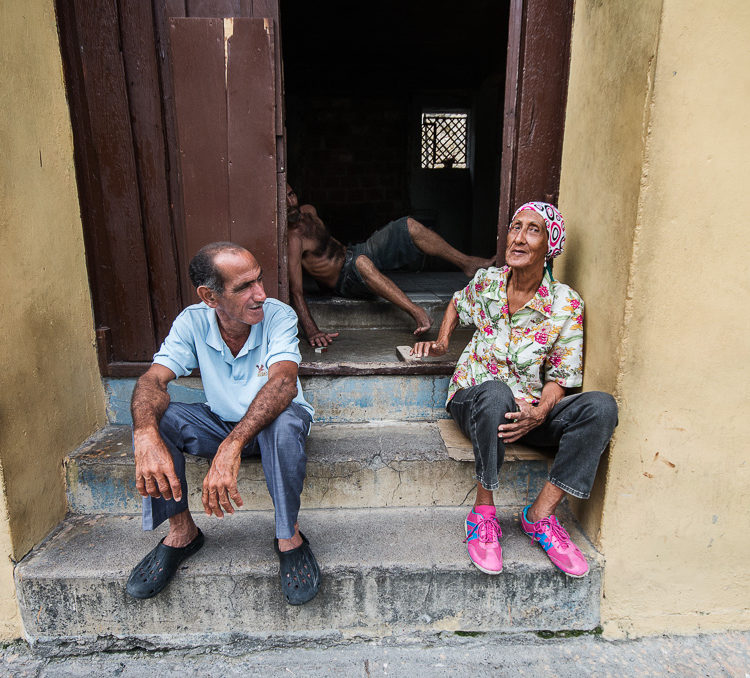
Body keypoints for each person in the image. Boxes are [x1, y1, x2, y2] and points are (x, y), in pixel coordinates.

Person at [412, 203, 618, 577]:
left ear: (550, 246)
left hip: (527, 409)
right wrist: (442, 342)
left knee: (601, 407)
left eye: (533, 230)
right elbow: (458, 303)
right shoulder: (488, 282)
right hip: (475, 398)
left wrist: (539, 412)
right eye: (515, 227)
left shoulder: (565, 303)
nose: (519, 238)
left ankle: (539, 516)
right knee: (494, 392)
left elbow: (561, 376)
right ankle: (483, 513)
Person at [126, 242, 320, 605]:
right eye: (244, 287)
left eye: (259, 280)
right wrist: (144, 434)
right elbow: (152, 381)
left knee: (284, 423)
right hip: (220, 421)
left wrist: (230, 445)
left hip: (275, 423)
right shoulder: (193, 321)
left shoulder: (279, 316)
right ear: (210, 297)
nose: (260, 294)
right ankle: (182, 532)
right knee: (156, 417)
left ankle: (288, 537)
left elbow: (283, 385)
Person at [286, 184, 495, 346]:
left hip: (354, 252)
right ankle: (416, 312)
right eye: (283, 199)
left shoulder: (309, 211)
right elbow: (296, 292)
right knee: (362, 263)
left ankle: (467, 263)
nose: (289, 202)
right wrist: (312, 331)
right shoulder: (293, 240)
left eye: (291, 195)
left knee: (407, 225)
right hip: (344, 279)